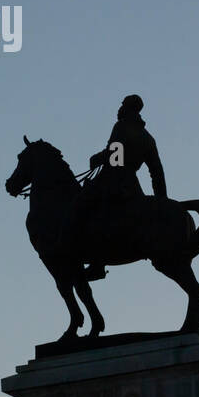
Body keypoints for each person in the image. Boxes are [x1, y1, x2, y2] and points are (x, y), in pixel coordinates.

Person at [80, 94, 166, 280]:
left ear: (127, 108)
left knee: (84, 206)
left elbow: (114, 154)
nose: (119, 108)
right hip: (132, 185)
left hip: (114, 179)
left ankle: (96, 264)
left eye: (122, 105)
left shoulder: (121, 126)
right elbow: (157, 172)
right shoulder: (148, 138)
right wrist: (162, 201)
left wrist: (97, 159)